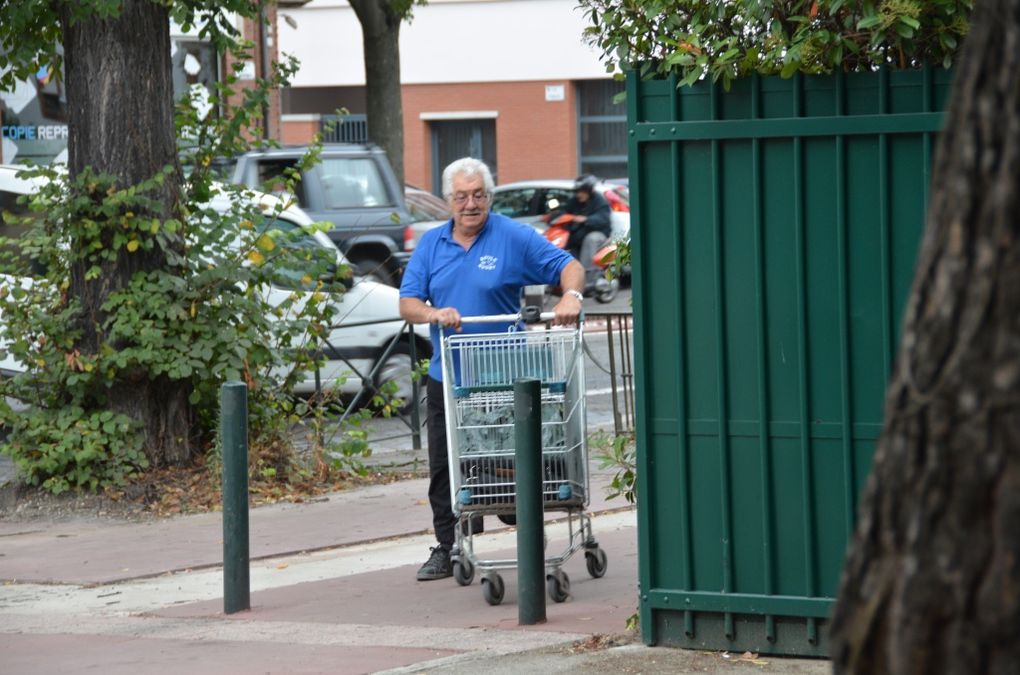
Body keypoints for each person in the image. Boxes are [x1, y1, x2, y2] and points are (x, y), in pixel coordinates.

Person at [399, 157, 585, 581]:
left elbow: (568, 266)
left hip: (502, 374)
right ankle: (446, 547)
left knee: (511, 459)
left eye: (479, 195)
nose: (470, 204)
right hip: (450, 374)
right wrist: (433, 313)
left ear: (489, 197)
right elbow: (408, 303)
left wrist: (570, 295)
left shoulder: (512, 237)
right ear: (448, 200)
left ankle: (515, 522)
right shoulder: (431, 245)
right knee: (445, 464)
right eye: (462, 196)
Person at [557, 174, 612, 293]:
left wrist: (586, 219)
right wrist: (554, 216)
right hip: (578, 234)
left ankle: (588, 277)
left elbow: (603, 218)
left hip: (598, 234)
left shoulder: (600, 201)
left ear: (590, 191)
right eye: (577, 191)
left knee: (590, 239)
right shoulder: (574, 201)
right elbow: (563, 211)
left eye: (582, 191)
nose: (579, 194)